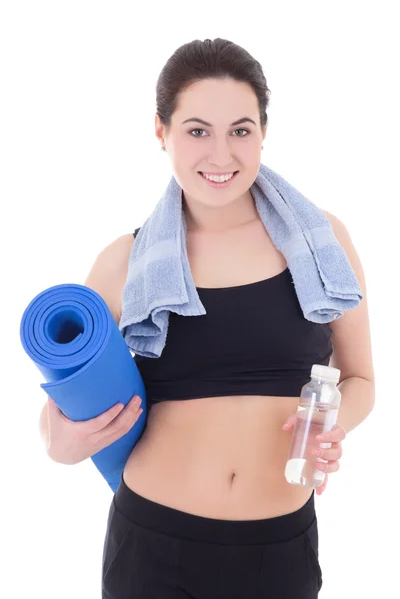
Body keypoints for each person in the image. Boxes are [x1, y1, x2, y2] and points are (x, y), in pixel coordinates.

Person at [40, 38, 375, 598]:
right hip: (153, 543)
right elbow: (56, 424)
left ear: (263, 132)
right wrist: (67, 444)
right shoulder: (124, 261)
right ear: (161, 132)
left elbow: (361, 379)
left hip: (279, 547)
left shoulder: (323, 243)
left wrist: (334, 426)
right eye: (198, 130)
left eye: (240, 130)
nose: (221, 155)